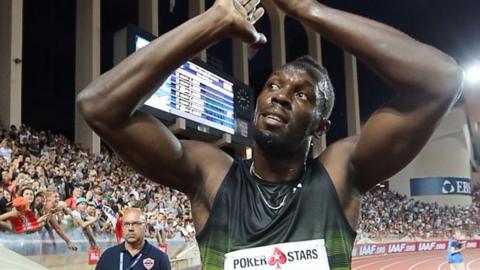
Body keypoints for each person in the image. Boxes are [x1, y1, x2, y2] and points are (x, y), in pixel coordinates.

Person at [77, 0, 463, 269]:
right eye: (273, 85)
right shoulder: (212, 175)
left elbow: (442, 80)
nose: (280, 95)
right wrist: (211, 23)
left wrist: (307, 9)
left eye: (302, 95)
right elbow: (98, 106)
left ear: (320, 127)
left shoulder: (341, 174)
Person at [95, 208, 171, 270]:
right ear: (122, 227)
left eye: (136, 224)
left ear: (145, 226)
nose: (130, 228)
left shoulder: (160, 258)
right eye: (127, 224)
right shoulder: (108, 256)